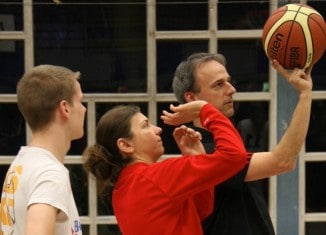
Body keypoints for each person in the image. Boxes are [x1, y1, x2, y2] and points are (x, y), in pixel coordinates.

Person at [172, 52, 313, 235]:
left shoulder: (221, 143)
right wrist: (304, 95)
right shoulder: (203, 153)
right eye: (218, 84)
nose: (231, 89)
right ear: (192, 98)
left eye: (229, 81)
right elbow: (283, 161)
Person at [82, 100, 249, 235]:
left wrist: (196, 157)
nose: (158, 129)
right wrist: (204, 109)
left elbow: (199, 211)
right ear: (126, 145)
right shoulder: (154, 177)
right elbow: (234, 155)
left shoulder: (123, 187)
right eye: (146, 125)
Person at [0, 65, 86, 235]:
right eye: (80, 101)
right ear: (65, 108)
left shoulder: (23, 163)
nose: (84, 109)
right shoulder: (49, 174)